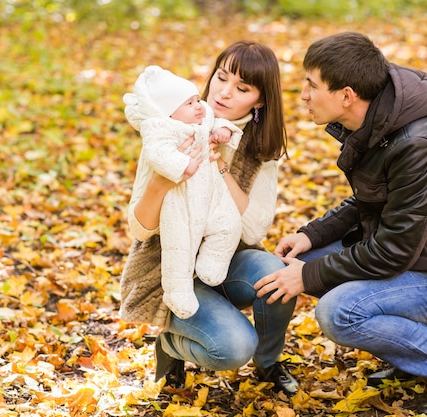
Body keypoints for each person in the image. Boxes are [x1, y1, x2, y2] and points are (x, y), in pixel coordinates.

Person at [254, 31, 427, 414]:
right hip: (419, 255)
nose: (303, 95)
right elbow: (369, 200)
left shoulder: (416, 143)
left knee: (338, 311)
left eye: (311, 85)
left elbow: (393, 251)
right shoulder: (381, 121)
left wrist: (308, 277)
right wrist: (312, 234)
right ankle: (410, 357)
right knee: (309, 259)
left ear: (347, 95)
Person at [119, 41, 299, 396]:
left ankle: (268, 362)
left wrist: (219, 164)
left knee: (278, 276)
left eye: (242, 88)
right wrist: (158, 183)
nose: (224, 93)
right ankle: (171, 347)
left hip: (227, 259)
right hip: (170, 269)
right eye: (221, 78)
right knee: (232, 348)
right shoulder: (171, 129)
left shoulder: (260, 149)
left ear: (259, 101)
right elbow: (139, 228)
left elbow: (253, 228)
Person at [123, 65, 243, 319]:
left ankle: (213, 262)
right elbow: (158, 153)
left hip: (211, 197)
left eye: (197, 99)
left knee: (229, 223)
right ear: (169, 113)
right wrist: (179, 167)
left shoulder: (202, 116)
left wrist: (223, 130)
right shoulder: (162, 129)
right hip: (180, 202)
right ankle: (178, 293)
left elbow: (215, 120)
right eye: (190, 103)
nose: (200, 105)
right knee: (180, 246)